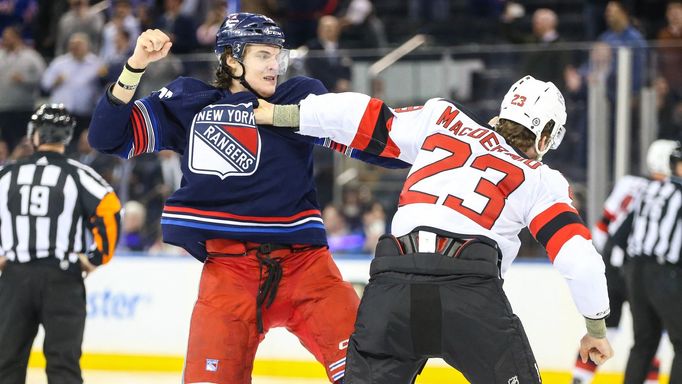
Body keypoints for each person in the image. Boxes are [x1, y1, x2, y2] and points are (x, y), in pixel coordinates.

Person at [87, 13, 407, 384]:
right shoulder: (190, 100)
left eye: (277, 55)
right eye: (262, 55)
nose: (274, 65)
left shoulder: (299, 97)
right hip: (227, 275)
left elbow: (374, 143)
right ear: (230, 59)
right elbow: (107, 137)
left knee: (376, 373)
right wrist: (135, 65)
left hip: (307, 269)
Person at [254, 75, 614, 383]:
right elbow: (580, 261)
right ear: (547, 133)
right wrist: (595, 330)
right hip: (469, 290)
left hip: (393, 279)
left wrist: (282, 113)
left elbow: (360, 115)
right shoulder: (540, 178)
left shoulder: (441, 118)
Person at [0, 104, 122, 383]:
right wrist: (96, 257)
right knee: (63, 366)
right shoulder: (78, 174)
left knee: (6, 363)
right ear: (66, 137)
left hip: (15, 278)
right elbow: (110, 209)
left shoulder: (7, 174)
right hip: (62, 277)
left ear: (35, 135)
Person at [570, 139, 676, 384]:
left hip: (613, 269)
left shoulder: (629, 183)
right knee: (649, 337)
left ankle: (578, 380)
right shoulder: (667, 191)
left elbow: (601, 227)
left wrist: (606, 261)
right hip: (646, 273)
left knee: (606, 331)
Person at [622, 140, 682, 383]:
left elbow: (622, 234)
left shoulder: (646, 189)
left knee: (643, 343)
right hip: (664, 273)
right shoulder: (677, 192)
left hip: (635, 272)